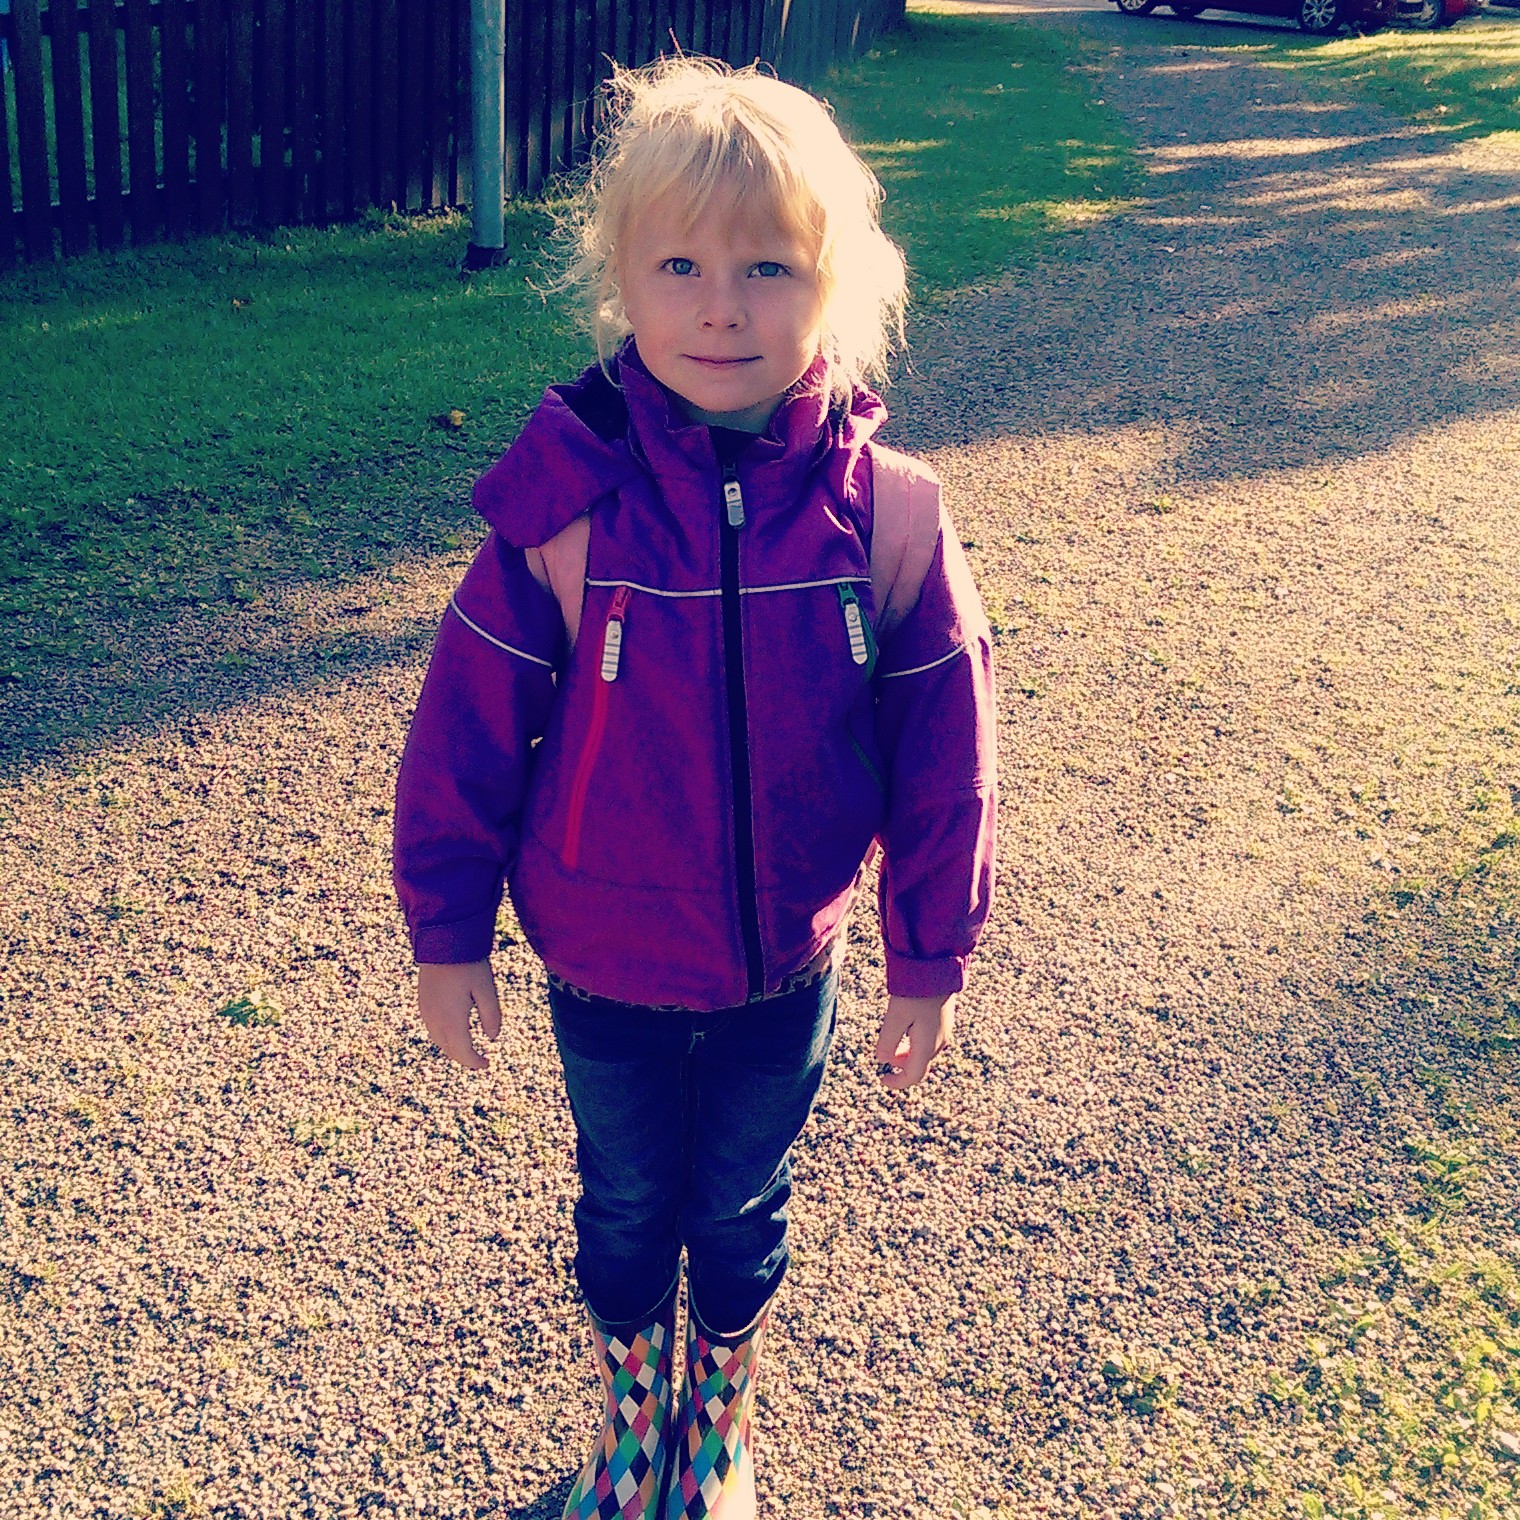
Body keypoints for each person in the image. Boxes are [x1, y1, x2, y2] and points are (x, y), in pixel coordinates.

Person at [392, 56, 996, 1520]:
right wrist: (446, 934)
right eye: (681, 266)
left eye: (768, 267)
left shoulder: (891, 517)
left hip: (784, 966)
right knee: (621, 1206)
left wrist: (930, 956)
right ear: (620, 281)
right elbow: (464, 731)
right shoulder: (564, 506)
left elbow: (946, 757)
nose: (723, 307)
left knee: (736, 1211)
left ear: (837, 287)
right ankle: (629, 1420)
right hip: (602, 961)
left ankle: (714, 1425)